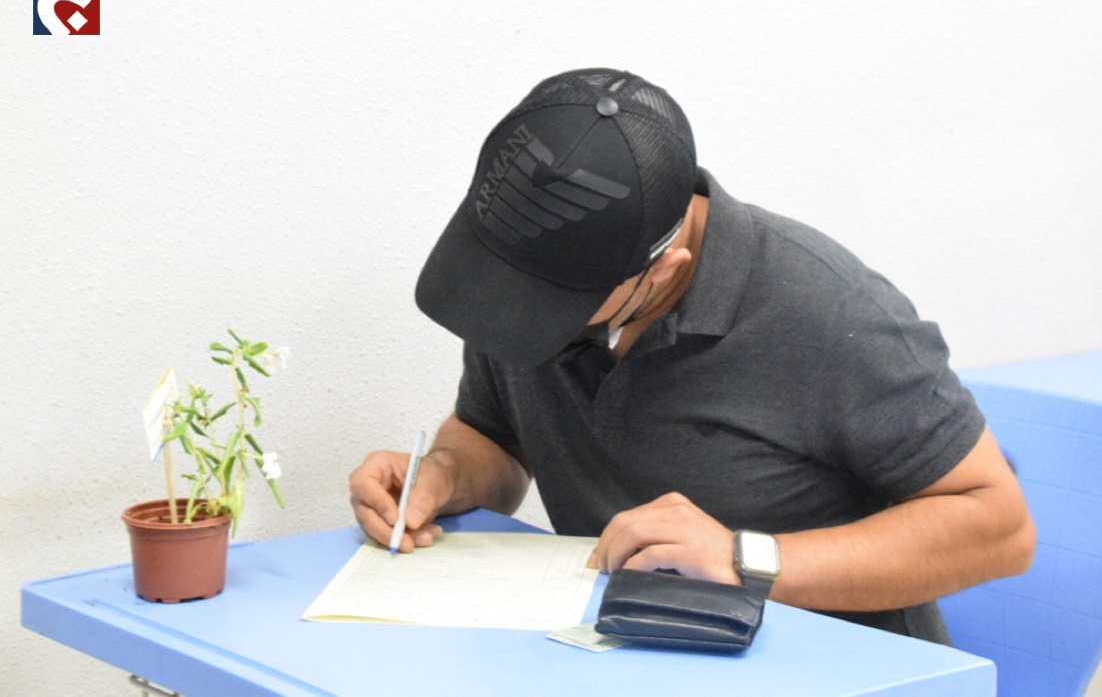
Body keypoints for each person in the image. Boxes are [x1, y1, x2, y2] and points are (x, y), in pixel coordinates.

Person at [350, 68, 1035, 642]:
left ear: (664, 269)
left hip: (832, 669)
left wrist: (745, 560)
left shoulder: (831, 312)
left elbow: (1000, 529)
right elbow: (496, 441)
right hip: (623, 658)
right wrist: (443, 475)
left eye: (555, 305)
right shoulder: (523, 266)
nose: (522, 314)